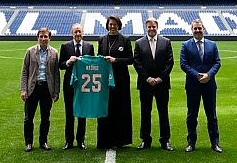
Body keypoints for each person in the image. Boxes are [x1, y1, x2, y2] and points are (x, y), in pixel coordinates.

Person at [179, 19, 222, 153]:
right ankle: (191, 143)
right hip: (193, 85)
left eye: (200, 28)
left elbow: (217, 63)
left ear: (204, 29)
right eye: (195, 29)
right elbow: (183, 64)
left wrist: (208, 75)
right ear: (192, 30)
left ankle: (215, 143)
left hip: (209, 85)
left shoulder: (212, 45)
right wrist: (198, 75)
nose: (197, 31)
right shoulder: (185, 45)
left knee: (212, 115)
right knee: (192, 115)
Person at [133, 17, 174, 151]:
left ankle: (165, 140)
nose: (151, 29)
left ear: (157, 27)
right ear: (146, 27)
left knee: (163, 112)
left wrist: (161, 78)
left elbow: (170, 62)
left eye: (153, 27)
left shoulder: (166, 42)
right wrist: (148, 78)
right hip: (146, 84)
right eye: (149, 27)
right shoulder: (139, 43)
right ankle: (145, 140)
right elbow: (137, 63)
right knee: (145, 112)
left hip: (162, 84)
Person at [20, 27, 60, 152]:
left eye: (45, 36)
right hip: (33, 88)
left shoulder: (54, 52)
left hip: (47, 89)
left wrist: (56, 91)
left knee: (45, 118)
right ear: (38, 38)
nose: (43, 39)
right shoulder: (30, 51)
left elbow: (56, 74)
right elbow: (24, 72)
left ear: (49, 38)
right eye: (41, 36)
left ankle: (43, 142)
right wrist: (23, 89)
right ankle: (28, 143)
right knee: (28, 118)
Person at [97, 15, 133, 149]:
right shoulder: (102, 39)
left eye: (115, 24)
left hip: (121, 80)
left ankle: (120, 140)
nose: (112, 26)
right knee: (106, 108)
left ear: (119, 25)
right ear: (107, 25)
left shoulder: (125, 40)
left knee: (120, 109)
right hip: (105, 80)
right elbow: (99, 58)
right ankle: (105, 140)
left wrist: (115, 60)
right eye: (110, 24)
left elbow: (131, 59)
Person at [59, 23, 95, 150]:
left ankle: (81, 141)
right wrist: (69, 62)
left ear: (83, 32)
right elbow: (61, 65)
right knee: (69, 113)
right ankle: (69, 141)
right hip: (69, 85)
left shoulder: (89, 47)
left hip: (84, 85)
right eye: (75, 32)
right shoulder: (65, 46)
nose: (78, 34)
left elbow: (92, 65)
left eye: (79, 31)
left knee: (82, 113)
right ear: (72, 33)